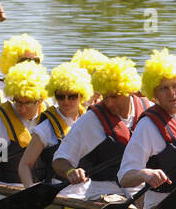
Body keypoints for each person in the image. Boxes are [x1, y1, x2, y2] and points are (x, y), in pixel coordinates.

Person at [119, 50, 176, 209]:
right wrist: (144, 174)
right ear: (154, 93)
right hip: (161, 207)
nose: (172, 93)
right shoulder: (147, 126)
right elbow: (124, 177)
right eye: (164, 88)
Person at [53, 57, 145, 200]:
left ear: (129, 91)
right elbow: (59, 160)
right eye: (105, 97)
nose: (108, 103)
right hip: (105, 190)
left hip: (144, 187)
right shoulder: (91, 120)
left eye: (114, 97)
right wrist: (70, 171)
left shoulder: (148, 111)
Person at [0, 62, 50, 184]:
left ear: (40, 99)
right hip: (7, 184)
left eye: (28, 103)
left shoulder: (49, 115)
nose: (22, 109)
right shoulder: (2, 119)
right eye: (18, 102)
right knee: (1, 151)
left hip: (41, 184)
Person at [18, 63, 92, 187]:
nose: (66, 101)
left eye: (72, 96)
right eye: (60, 97)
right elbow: (24, 165)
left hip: (89, 188)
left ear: (82, 96)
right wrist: (30, 191)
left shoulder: (90, 120)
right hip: (59, 189)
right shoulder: (46, 128)